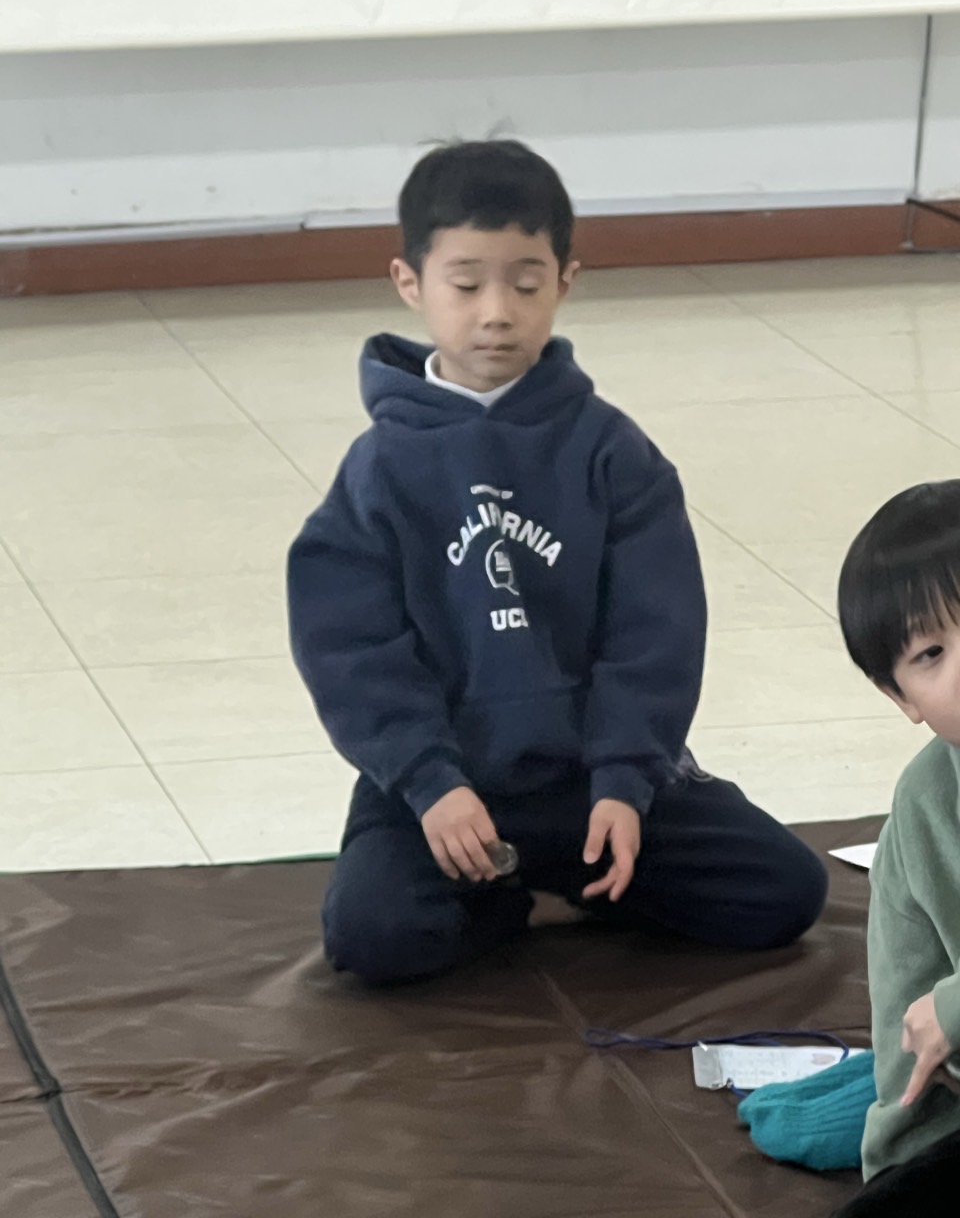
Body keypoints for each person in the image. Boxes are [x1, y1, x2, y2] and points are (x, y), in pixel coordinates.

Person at [287, 138, 827, 986]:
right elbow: (348, 649)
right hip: (452, 788)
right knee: (374, 935)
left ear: (566, 283)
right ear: (410, 283)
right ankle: (502, 895)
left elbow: (654, 636)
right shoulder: (378, 469)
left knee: (782, 892)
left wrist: (625, 781)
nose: (497, 312)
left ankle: (581, 874)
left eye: (526, 284)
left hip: (590, 779)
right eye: (467, 285)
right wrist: (428, 784)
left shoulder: (614, 454)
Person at [838, 479, 960, 1180]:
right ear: (899, 696)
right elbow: (905, 1020)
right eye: (931, 654)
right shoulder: (923, 804)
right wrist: (898, 1160)